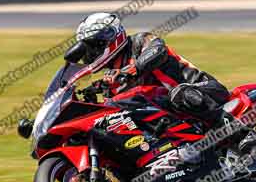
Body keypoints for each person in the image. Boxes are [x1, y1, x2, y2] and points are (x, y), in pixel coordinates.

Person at [75, 12, 230, 123]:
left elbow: (158, 51)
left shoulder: (140, 41)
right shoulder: (112, 79)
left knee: (179, 94)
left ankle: (236, 131)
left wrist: (129, 71)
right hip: (174, 114)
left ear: (108, 38)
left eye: (92, 46)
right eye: (86, 49)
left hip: (204, 90)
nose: (90, 53)